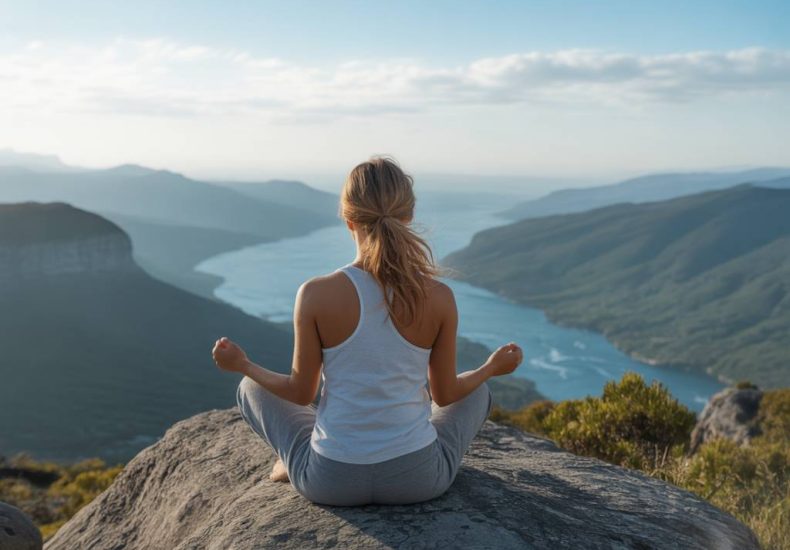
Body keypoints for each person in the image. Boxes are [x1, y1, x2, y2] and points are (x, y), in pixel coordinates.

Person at [211, 156, 524, 506]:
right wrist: (492, 369)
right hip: (419, 480)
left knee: (249, 387)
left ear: (348, 220)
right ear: (408, 217)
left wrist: (242, 365)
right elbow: (446, 393)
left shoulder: (315, 293)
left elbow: (301, 392)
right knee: (478, 392)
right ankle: (324, 454)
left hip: (330, 481)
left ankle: (295, 459)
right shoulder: (439, 297)